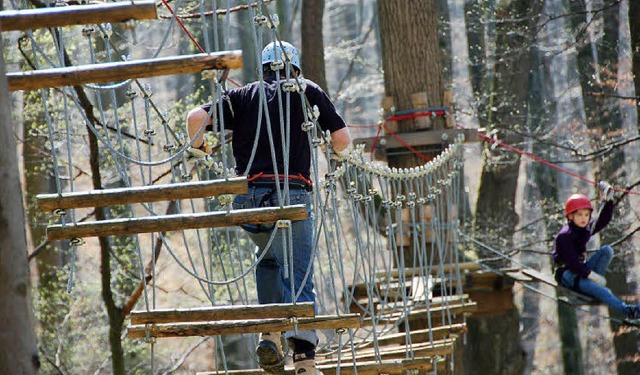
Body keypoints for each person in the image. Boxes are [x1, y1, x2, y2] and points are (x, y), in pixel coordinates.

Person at [186, 41, 351, 375]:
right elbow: (342, 138)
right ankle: (304, 359)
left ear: (262, 68)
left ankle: (270, 333)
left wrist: (199, 146)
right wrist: (336, 157)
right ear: (294, 68)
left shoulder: (243, 96)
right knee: (299, 270)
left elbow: (195, 117)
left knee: (270, 262)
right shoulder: (306, 90)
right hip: (291, 192)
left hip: (250, 197)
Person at [552, 182, 639, 321]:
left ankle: (591, 286)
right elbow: (573, 263)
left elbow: (603, 220)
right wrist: (592, 275)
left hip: (582, 270)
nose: (583, 218)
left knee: (607, 250)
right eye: (579, 215)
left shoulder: (584, 229)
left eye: (586, 215)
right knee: (604, 292)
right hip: (568, 275)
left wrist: (608, 200)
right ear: (570, 216)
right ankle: (628, 311)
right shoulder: (565, 236)